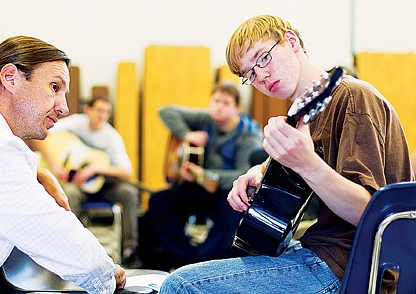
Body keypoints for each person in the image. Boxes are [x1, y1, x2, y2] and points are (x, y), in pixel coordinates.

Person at [160, 15, 412, 293]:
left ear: (291, 41)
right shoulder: (303, 115)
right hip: (317, 248)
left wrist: (307, 163)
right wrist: (257, 172)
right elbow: (296, 165)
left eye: (263, 58)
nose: (261, 76)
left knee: (180, 285)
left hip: (349, 267)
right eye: (250, 75)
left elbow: (369, 213)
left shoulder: (352, 97)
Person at [0, 36, 126, 293]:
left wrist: (35, 174)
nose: (63, 107)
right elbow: (63, 242)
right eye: (54, 87)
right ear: (10, 78)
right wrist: (110, 274)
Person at [144, 83, 264, 270]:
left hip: (228, 192)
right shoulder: (206, 120)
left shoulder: (248, 135)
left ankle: (205, 263)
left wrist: (204, 174)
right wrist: (187, 134)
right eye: (216, 101)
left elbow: (244, 174)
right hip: (201, 189)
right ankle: (186, 259)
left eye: (226, 103)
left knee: (232, 212)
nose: (219, 106)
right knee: (159, 201)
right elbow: (165, 111)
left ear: (237, 109)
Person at [29, 96, 141, 268]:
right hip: (77, 186)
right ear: (87, 110)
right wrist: (54, 164)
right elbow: (38, 136)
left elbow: (127, 171)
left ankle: (129, 250)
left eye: (107, 112)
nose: (103, 116)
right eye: (99, 110)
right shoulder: (75, 124)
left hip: (103, 186)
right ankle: (73, 249)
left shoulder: (111, 137)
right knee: (69, 194)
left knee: (129, 193)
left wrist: (95, 169)